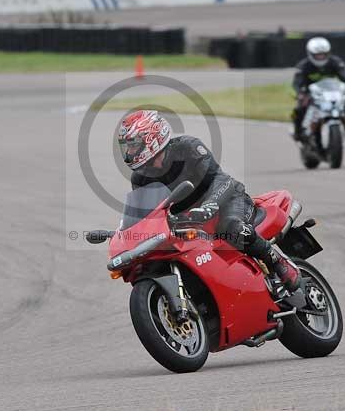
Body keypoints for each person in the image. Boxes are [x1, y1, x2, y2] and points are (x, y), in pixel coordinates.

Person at [117, 109, 300, 292]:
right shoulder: (140, 178)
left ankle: (278, 262)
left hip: (227, 199)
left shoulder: (187, 147)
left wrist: (209, 206)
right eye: (127, 146)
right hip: (189, 220)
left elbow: (221, 180)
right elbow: (148, 215)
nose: (130, 152)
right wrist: (125, 235)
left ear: (151, 138)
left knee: (230, 227)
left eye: (133, 145)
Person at [291, 37, 345, 141]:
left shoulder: (335, 62)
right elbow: (296, 83)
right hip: (311, 95)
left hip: (332, 93)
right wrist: (300, 93)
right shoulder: (303, 66)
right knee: (299, 109)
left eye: (323, 54)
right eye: (317, 55)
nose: (321, 57)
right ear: (310, 54)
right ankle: (298, 131)